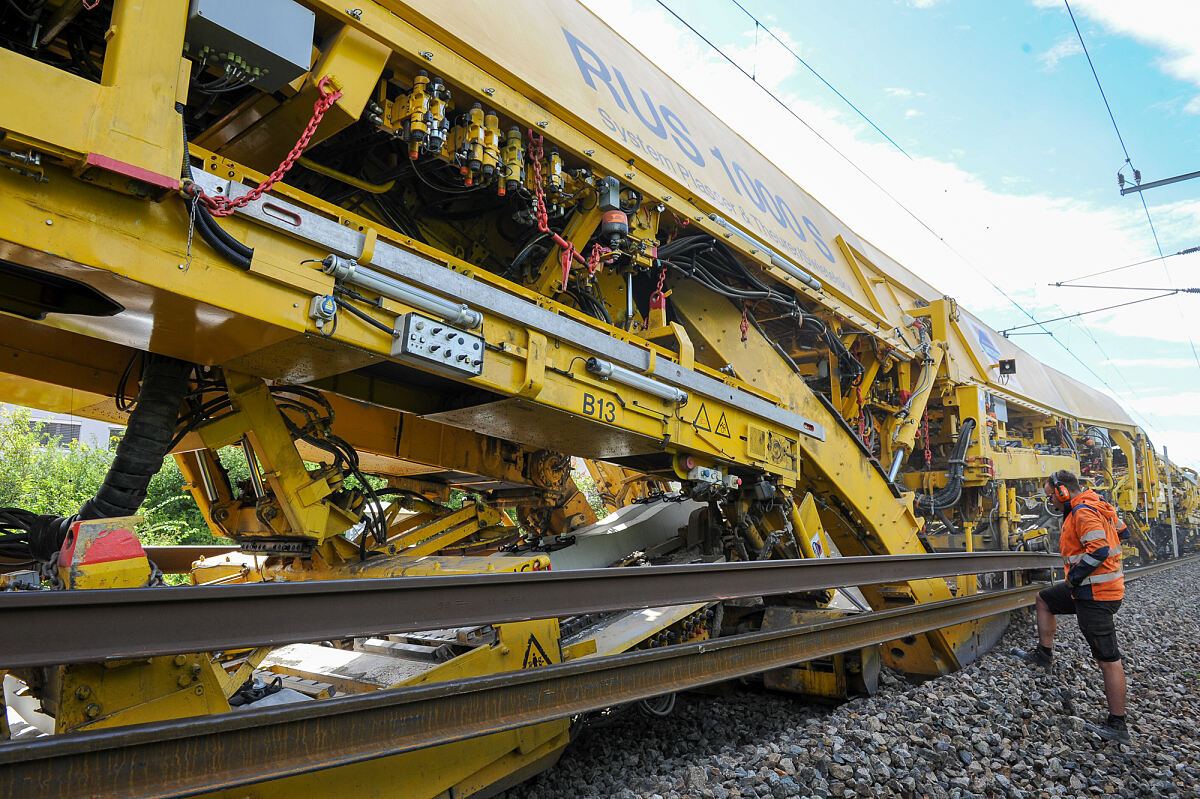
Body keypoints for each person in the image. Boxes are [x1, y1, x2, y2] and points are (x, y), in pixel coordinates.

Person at [1019, 469, 1129, 743]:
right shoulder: (1100, 504)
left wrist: (1076, 578)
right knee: (1044, 599)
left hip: (1097, 594)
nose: (1052, 503)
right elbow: (1123, 534)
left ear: (1063, 491)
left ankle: (1118, 725)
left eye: (1051, 497)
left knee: (1108, 660)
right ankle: (1043, 655)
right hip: (1094, 589)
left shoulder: (1082, 512)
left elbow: (1100, 550)